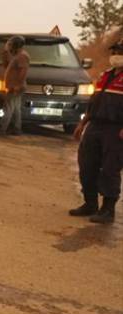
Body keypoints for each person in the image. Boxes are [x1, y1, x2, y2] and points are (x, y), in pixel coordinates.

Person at [68, 39, 123, 224]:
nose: (116, 55)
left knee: (110, 169)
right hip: (95, 125)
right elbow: (94, 102)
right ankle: (90, 203)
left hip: (116, 129)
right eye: (114, 51)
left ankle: (108, 210)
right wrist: (83, 123)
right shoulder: (106, 75)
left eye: (120, 51)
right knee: (86, 164)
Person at [0, 35, 29, 135]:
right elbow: (6, 65)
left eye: (11, 45)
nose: (9, 46)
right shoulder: (17, 55)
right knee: (16, 109)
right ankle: (17, 129)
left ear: (16, 45)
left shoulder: (22, 56)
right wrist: (5, 52)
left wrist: (17, 85)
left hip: (15, 87)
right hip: (14, 86)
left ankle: (2, 129)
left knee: (8, 108)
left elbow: (23, 72)